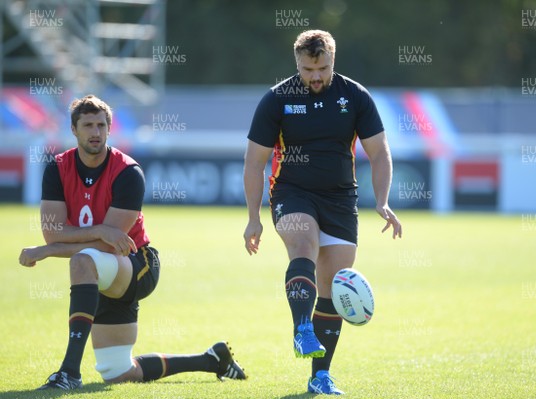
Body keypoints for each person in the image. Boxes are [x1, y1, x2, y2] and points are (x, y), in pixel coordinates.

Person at [19, 95, 247, 390]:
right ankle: (211, 360)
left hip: (138, 264)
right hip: (102, 272)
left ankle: (69, 373)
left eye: (101, 125)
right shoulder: (57, 168)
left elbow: (114, 244)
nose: (95, 132)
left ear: (109, 129)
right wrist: (94, 232)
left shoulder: (128, 172)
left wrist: (49, 251)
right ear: (74, 130)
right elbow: (54, 231)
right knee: (118, 371)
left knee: (83, 260)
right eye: (87, 125)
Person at [243, 30, 402, 395]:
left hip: (341, 199)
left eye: (323, 68)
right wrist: (254, 217)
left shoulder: (355, 96)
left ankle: (320, 376)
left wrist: (382, 201)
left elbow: (379, 153)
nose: (315, 76)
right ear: (297, 64)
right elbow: (255, 163)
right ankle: (302, 327)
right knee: (303, 246)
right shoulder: (277, 99)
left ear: (334, 60)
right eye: (307, 69)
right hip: (292, 192)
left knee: (333, 284)